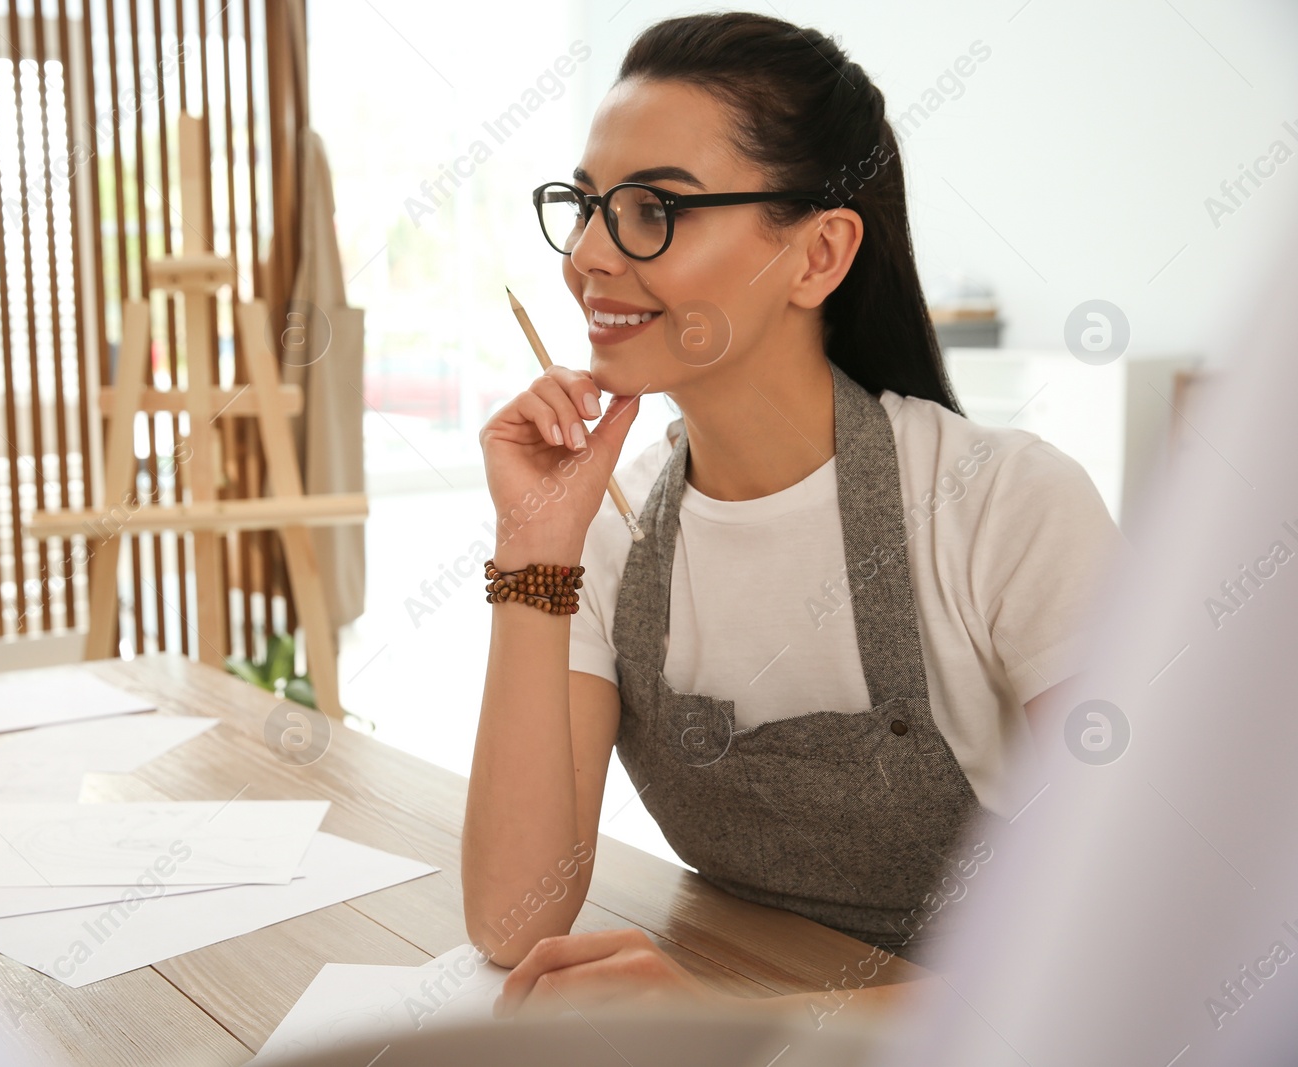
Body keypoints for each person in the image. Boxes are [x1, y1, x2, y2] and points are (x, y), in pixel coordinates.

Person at [462, 11, 1126, 1019]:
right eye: (586, 204)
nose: (587, 255)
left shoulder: (1006, 506)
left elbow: (1133, 944)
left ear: (817, 255)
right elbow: (516, 915)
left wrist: (755, 1015)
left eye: (652, 208)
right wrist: (530, 553)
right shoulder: (608, 524)